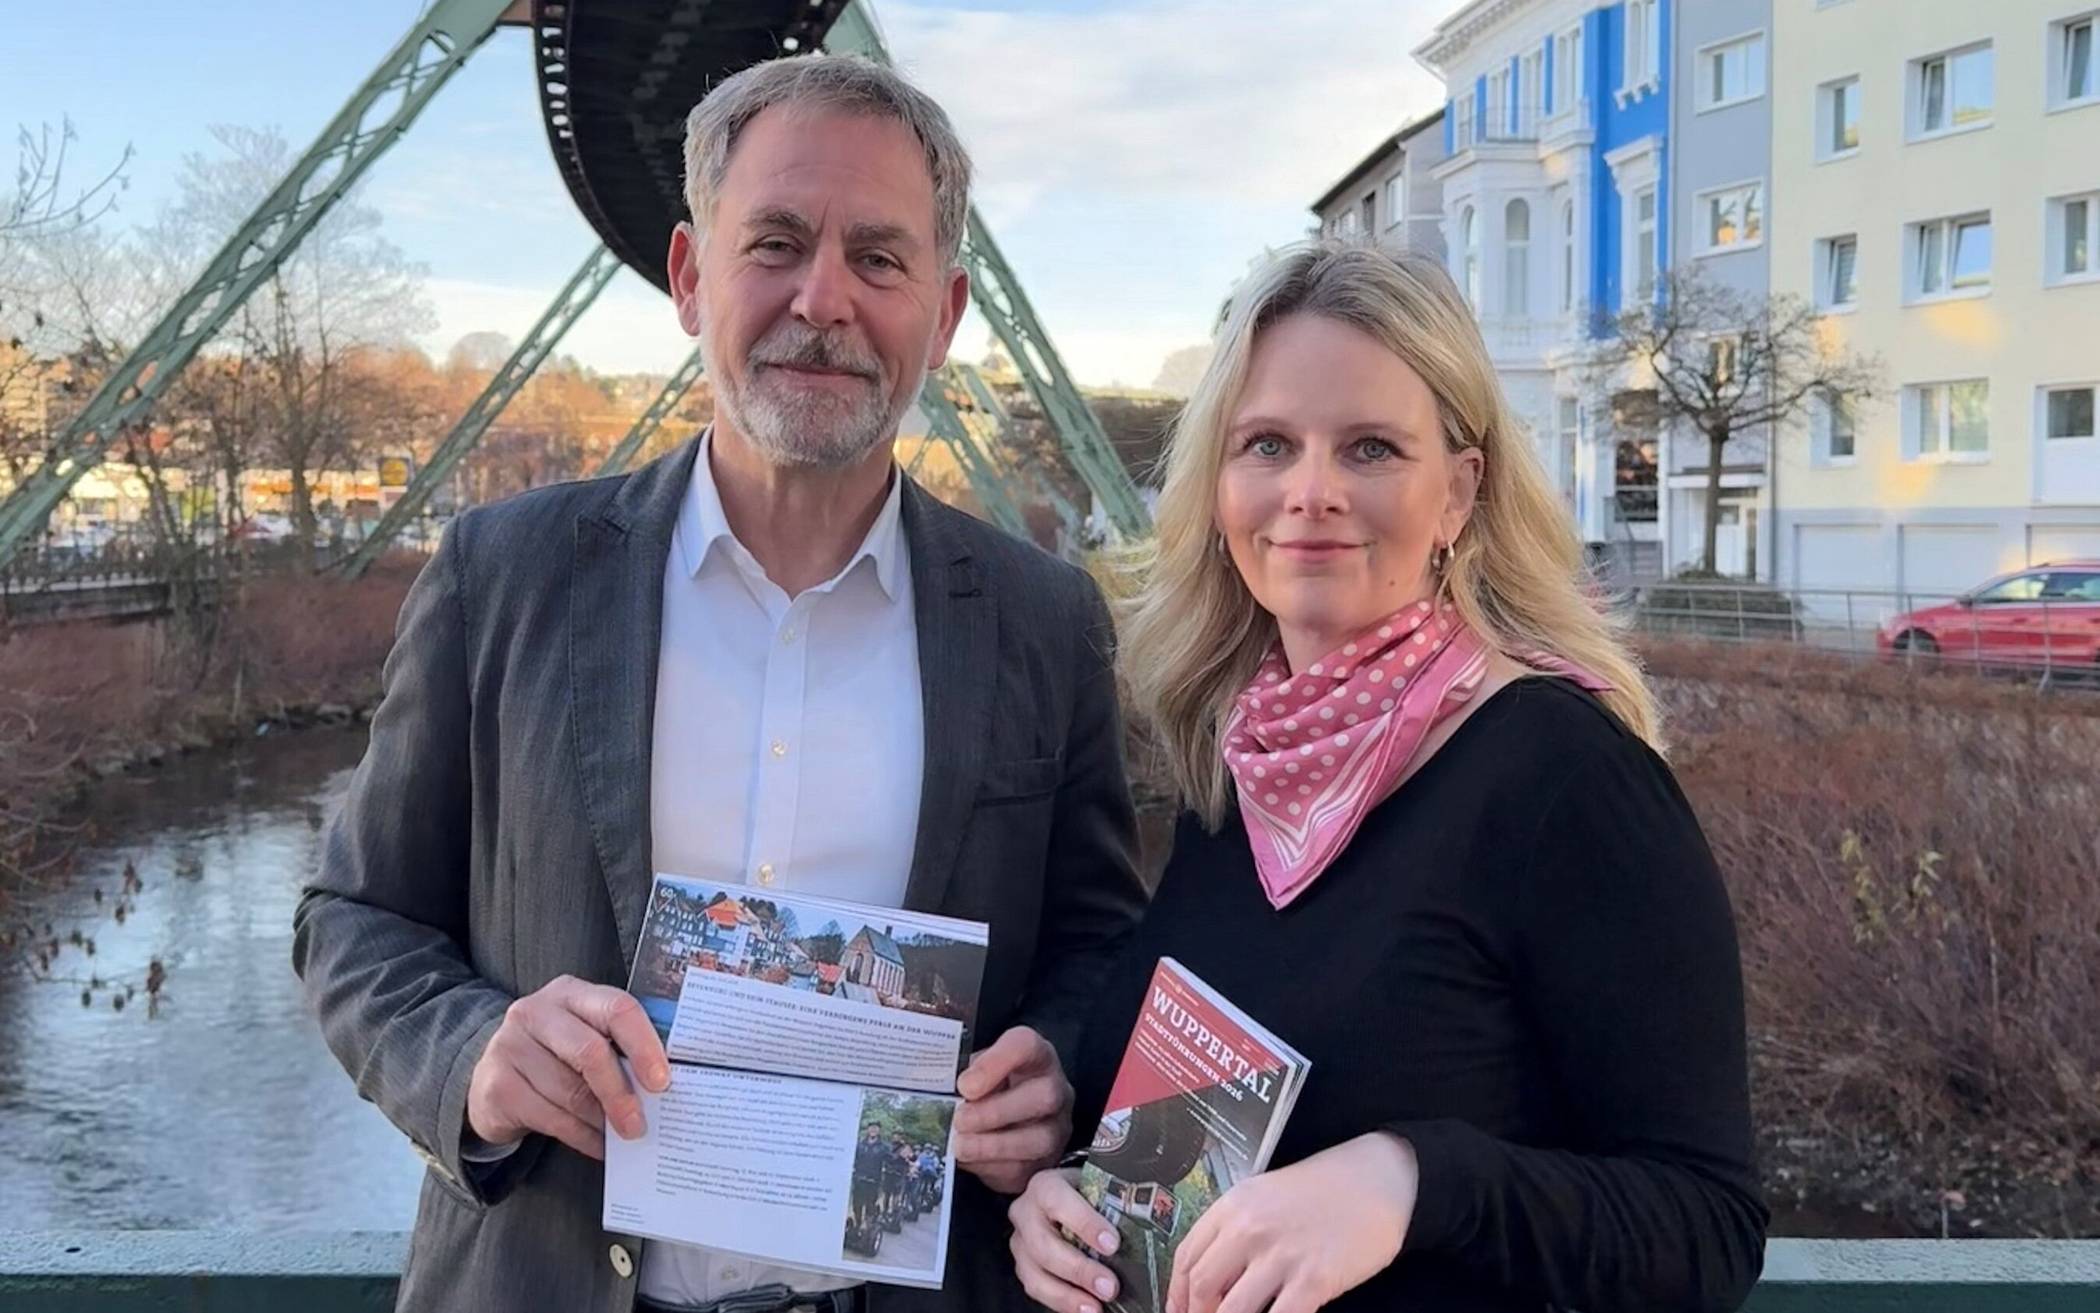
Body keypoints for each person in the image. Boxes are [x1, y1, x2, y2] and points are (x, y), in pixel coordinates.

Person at [293, 51, 1145, 1313]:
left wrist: (1059, 1063)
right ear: (691, 277)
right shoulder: (500, 574)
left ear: (948, 312)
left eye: (880, 258)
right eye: (777, 243)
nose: (824, 298)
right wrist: (474, 1056)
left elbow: (1100, 943)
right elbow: (351, 917)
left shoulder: (1042, 619)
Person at [1006, 241, 1768, 1313]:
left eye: (1370, 448)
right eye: (1268, 444)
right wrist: (1069, 1200)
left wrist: (1409, 1179)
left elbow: (1707, 1227)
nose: (1310, 492)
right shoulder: (1243, 761)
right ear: (1218, 486)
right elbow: (1183, 1119)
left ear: (1459, 491)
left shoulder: (1565, 778)